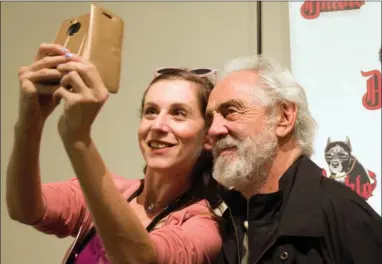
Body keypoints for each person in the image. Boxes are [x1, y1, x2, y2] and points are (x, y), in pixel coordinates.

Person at [6, 43, 223, 264]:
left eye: (178, 113)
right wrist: (30, 120)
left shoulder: (205, 224)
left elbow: (138, 258)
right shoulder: (112, 190)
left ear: (207, 136)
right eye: (150, 111)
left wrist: (79, 139)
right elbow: (24, 208)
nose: (158, 125)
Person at [205, 55, 382, 264]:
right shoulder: (224, 222)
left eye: (231, 111)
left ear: (284, 117)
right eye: (210, 118)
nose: (214, 130)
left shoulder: (347, 216)